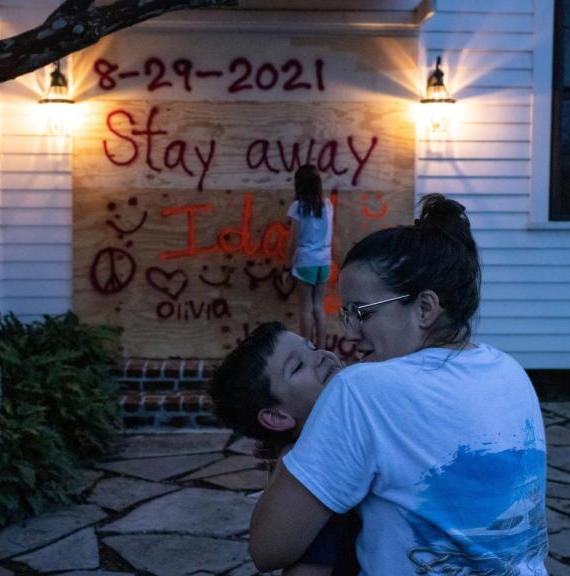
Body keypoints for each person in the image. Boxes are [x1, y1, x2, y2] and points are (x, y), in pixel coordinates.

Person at [250, 195, 549, 575]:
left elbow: (267, 549)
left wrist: (291, 453)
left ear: (424, 308)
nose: (351, 334)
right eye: (346, 315)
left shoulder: (362, 389)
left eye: (361, 313)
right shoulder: (510, 370)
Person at [209, 322, 360, 576]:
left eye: (312, 347)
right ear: (277, 417)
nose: (321, 357)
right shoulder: (317, 469)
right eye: (297, 366)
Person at [286, 164, 334, 349]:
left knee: (306, 308)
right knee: (319, 307)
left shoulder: (298, 206)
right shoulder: (327, 204)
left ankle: (306, 350)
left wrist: (287, 266)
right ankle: (322, 350)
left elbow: (294, 239)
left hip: (305, 261)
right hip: (324, 261)